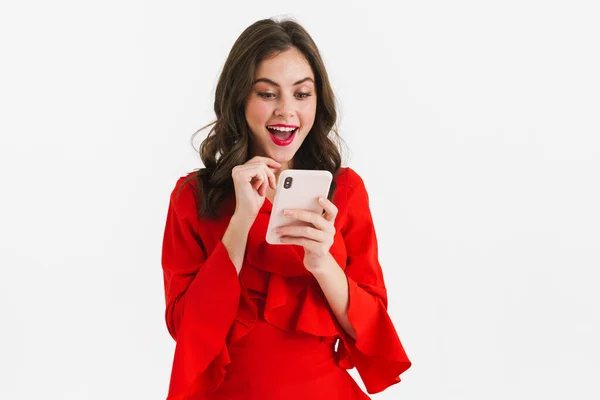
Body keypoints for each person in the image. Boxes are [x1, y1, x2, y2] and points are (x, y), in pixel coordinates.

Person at [160, 17, 411, 400]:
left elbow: (372, 328)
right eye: (267, 93)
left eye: (301, 94)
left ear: (317, 100)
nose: (286, 111)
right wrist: (241, 220)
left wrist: (321, 262)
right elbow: (186, 329)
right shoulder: (194, 196)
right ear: (239, 97)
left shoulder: (345, 191)